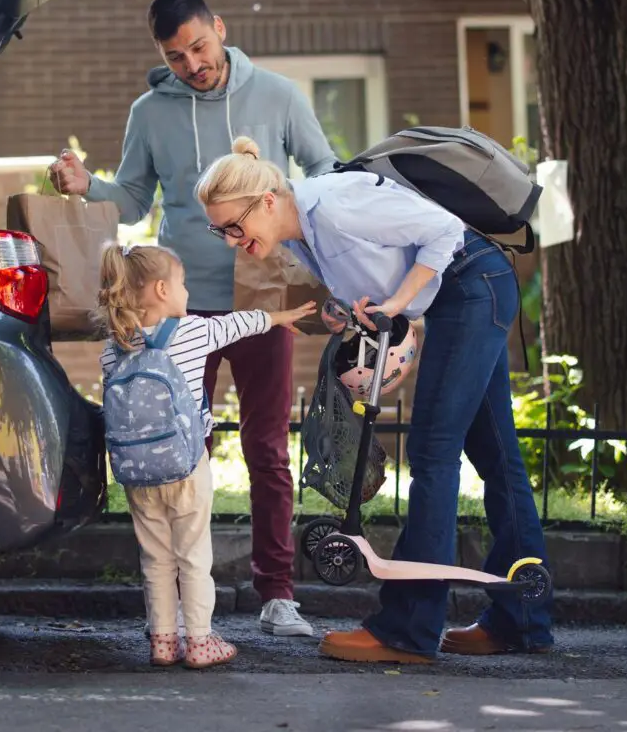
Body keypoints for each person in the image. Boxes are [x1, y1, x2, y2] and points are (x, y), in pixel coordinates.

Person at [194, 136, 554, 664]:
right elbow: (378, 266)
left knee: (432, 453)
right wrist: (348, 310)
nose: (229, 240)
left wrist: (398, 304)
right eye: (219, 230)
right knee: (497, 457)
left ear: (267, 201)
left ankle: (408, 630)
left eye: (233, 226)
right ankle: (522, 620)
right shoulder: (300, 235)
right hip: (469, 293)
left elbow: (445, 231)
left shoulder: (336, 204)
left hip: (472, 288)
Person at [51, 0, 337, 637]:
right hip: (177, 303)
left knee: (267, 448)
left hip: (263, 293)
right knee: (184, 450)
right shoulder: (150, 112)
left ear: (221, 30)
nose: (193, 64)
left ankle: (278, 594)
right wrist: (83, 184)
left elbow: (323, 169)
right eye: (176, 56)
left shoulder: (279, 96)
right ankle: (184, 594)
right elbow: (128, 200)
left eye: (199, 47)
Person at [97, 242, 316, 667]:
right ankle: (199, 640)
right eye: (182, 284)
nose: (187, 292)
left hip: (137, 472)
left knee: (156, 559)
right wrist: (278, 316)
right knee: (193, 555)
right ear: (161, 289)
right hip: (186, 464)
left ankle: (163, 640)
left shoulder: (113, 347)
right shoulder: (194, 331)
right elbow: (240, 324)